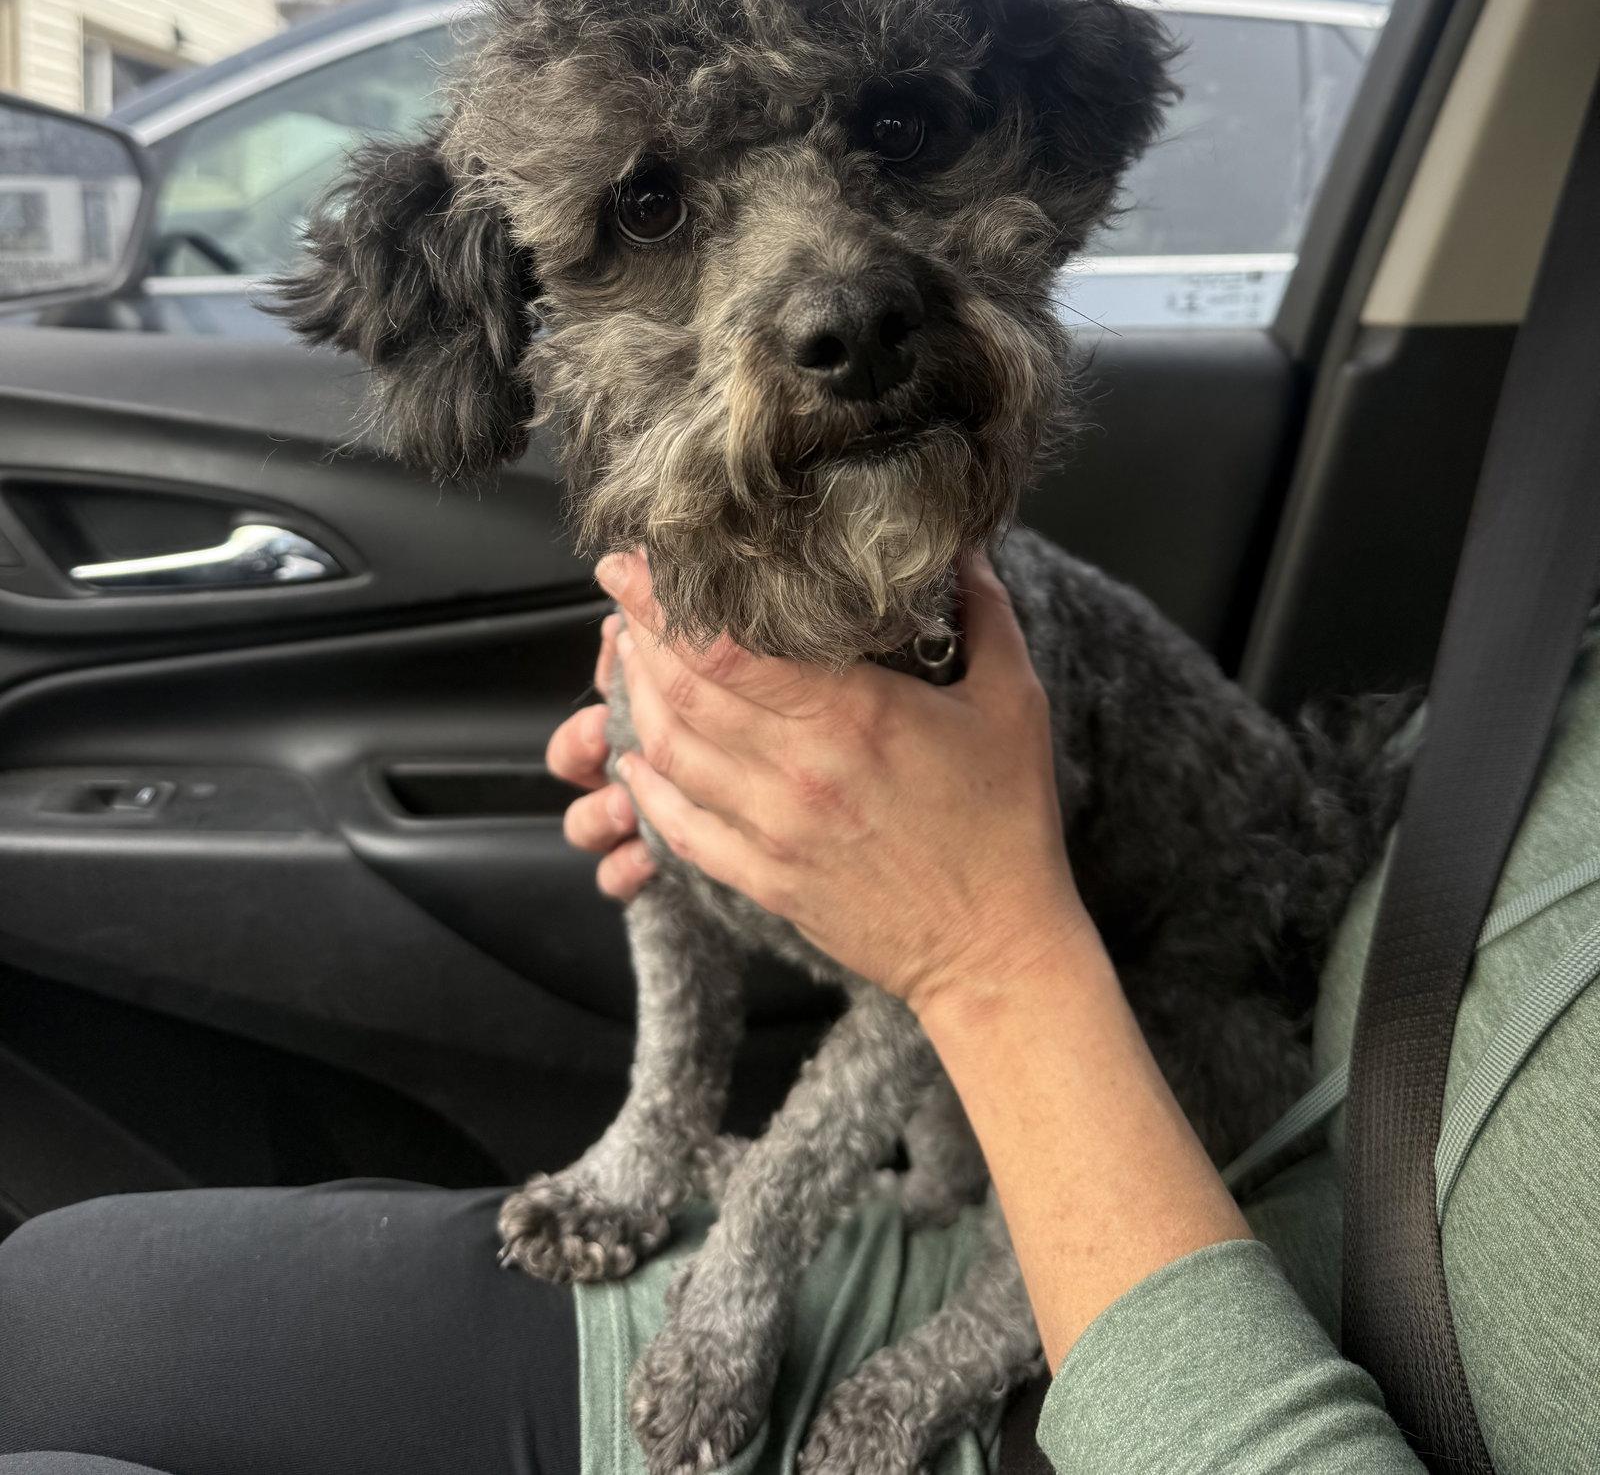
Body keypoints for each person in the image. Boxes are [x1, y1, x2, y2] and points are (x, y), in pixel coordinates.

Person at [3, 552, 1599, 1474]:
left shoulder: (970, 632)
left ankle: (929, 1368)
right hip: (1217, 1091)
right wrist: (657, 1118)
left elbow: (941, 953)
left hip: (1197, 1224)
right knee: (49, 1307)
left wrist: (977, 936)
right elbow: (710, 885)